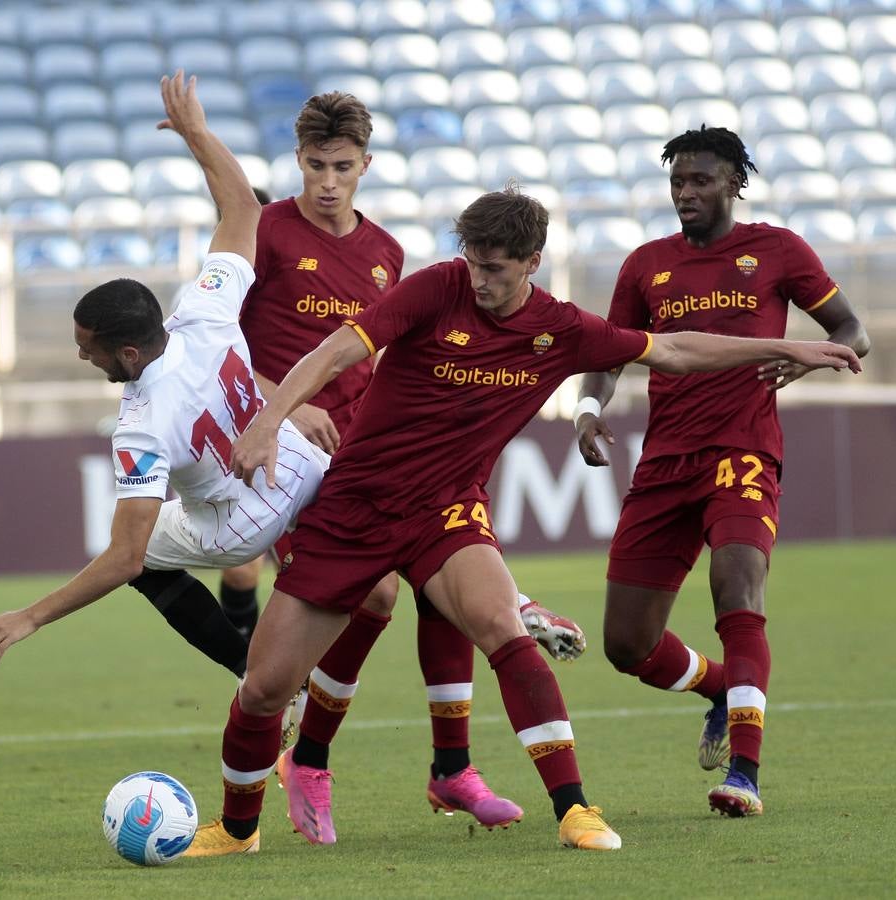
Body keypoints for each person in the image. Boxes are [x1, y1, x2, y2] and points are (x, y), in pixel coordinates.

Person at [183, 181, 861, 857]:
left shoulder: (559, 329)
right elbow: (337, 351)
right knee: (265, 688)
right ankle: (237, 830)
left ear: (531, 261)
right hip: (354, 508)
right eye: (473, 261)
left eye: (495, 268)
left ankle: (574, 810)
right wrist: (268, 420)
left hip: (445, 513)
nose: (478, 278)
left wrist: (788, 349)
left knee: (504, 630)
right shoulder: (435, 288)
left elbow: (674, 349)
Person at [195, 90, 584, 842]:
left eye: (342, 167)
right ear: (298, 163)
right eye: (315, 165)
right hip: (282, 453)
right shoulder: (264, 233)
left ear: (366, 166)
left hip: (366, 460)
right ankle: (308, 755)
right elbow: (218, 347)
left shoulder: (385, 255)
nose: (328, 181)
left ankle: (450, 766)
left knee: (437, 586)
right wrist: (280, 403)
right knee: (374, 596)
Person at [0, 71, 321, 678]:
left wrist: (30, 615)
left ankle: (248, 670)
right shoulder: (205, 310)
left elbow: (125, 559)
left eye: (90, 348)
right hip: (300, 467)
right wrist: (197, 134)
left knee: (145, 560)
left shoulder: (140, 425)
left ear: (129, 353)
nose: (83, 357)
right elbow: (244, 207)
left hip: (239, 522)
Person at [574, 126, 871, 818]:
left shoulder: (777, 251)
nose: (685, 193)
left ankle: (744, 771)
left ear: (734, 182)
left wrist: (803, 356)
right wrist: (589, 410)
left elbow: (850, 330)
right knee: (625, 645)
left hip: (742, 450)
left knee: (735, 583)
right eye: (677, 182)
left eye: (700, 181)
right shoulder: (645, 264)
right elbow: (609, 354)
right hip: (664, 462)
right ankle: (714, 687)